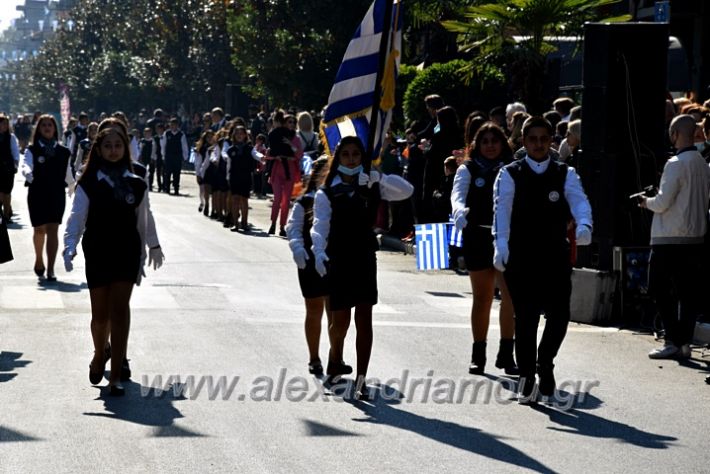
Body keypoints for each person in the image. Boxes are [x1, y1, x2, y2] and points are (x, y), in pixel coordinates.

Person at [493, 116, 593, 403]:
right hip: (521, 256)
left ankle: (544, 362)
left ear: (551, 141)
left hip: (554, 255)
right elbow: (502, 209)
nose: (538, 144)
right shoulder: (510, 173)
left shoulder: (565, 172)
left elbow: (579, 201)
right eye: (532, 139)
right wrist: (500, 243)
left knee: (560, 315)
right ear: (524, 141)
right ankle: (526, 375)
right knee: (525, 318)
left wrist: (585, 224)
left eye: (543, 138)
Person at [311, 136, 414, 400]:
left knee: (364, 319)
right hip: (339, 257)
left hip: (365, 257)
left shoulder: (371, 183)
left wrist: (379, 178)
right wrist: (319, 252)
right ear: (338, 158)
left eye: (356, 154)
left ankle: (361, 379)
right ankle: (335, 357)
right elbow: (320, 224)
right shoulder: (328, 190)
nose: (351, 160)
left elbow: (407, 190)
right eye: (346, 155)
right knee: (341, 321)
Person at [63, 126, 163, 396]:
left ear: (125, 148)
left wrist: (152, 245)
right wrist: (69, 245)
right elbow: (76, 218)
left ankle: (116, 375)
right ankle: (99, 354)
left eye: (118, 145)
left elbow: (145, 217)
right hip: (97, 250)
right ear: (98, 149)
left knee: (120, 310)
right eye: (107, 145)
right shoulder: (88, 182)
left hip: (126, 251)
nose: (113, 150)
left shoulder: (137, 181)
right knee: (100, 315)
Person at [640, 114, 710, 359]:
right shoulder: (702, 162)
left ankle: (672, 339)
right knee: (688, 294)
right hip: (695, 238)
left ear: (674, 134)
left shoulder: (675, 163)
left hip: (668, 238)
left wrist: (644, 202)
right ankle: (684, 342)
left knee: (658, 288)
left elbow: (662, 203)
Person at [452, 122, 518, 375]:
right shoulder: (468, 169)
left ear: (502, 143)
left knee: (510, 297)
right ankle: (478, 353)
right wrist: (458, 211)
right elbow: (457, 194)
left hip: (507, 238)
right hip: (477, 237)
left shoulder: (513, 169)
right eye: (485, 141)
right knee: (482, 298)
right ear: (477, 145)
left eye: (495, 140)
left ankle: (506, 353)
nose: (490, 146)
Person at [286, 157, 331, 375]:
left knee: (335, 311)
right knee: (314, 310)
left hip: (335, 260)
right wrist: (297, 248)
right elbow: (293, 227)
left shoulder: (338, 198)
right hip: (309, 261)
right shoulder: (304, 202)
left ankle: (336, 355)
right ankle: (314, 357)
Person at [21, 114, 75, 281]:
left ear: (54, 129)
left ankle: (51, 269)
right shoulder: (32, 149)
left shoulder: (64, 151)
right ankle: (39, 260)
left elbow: (68, 174)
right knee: (39, 230)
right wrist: (27, 173)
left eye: (50, 125)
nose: (47, 127)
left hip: (56, 194)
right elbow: (26, 164)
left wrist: (73, 186)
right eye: (43, 125)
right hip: (37, 193)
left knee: (53, 229)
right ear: (39, 129)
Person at [421, 106, 463, 223]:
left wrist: (426, 149)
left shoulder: (439, 136)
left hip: (436, 177)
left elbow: (431, 155)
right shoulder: (459, 134)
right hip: (454, 176)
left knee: (434, 211)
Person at [267, 111, 302, 236]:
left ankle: (282, 226)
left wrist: (291, 145)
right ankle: (272, 224)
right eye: (289, 122)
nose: (292, 124)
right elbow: (269, 153)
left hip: (290, 170)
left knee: (286, 199)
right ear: (283, 123)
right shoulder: (276, 135)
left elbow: (299, 155)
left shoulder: (296, 138)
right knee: (277, 198)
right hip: (277, 168)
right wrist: (274, 156)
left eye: (294, 122)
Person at [226, 125, 262, 231]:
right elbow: (228, 164)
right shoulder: (230, 150)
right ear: (234, 135)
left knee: (244, 200)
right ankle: (235, 223)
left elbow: (256, 154)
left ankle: (244, 223)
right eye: (237, 133)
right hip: (234, 177)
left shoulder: (249, 148)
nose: (239, 136)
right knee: (235, 199)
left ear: (245, 135)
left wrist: (262, 157)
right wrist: (227, 177)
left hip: (245, 177)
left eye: (241, 133)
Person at [160, 117, 189, 195]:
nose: (173, 126)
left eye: (175, 125)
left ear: (177, 125)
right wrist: (163, 155)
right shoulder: (166, 133)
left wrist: (185, 157)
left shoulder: (181, 134)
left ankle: (176, 188)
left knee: (177, 173)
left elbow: (184, 146)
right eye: (172, 125)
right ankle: (167, 188)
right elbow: (163, 145)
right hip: (168, 156)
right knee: (167, 173)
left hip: (177, 156)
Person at [0, 115, 20, 222]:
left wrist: (16, 164)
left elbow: (15, 151)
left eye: (6, 124)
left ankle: (6, 215)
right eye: (2, 123)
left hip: (8, 168)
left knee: (7, 192)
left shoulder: (11, 137)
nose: (5, 126)